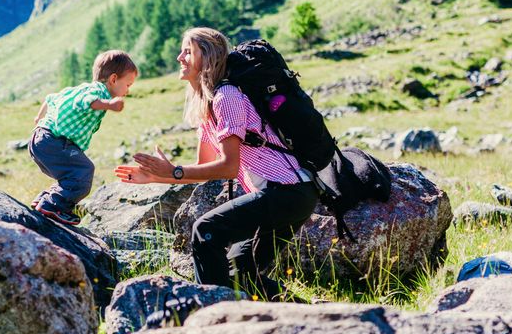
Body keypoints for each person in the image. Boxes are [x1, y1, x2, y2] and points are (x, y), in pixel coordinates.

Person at [114, 27, 319, 299]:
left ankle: (212, 315)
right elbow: (203, 168)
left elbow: (228, 167)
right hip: (290, 194)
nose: (179, 57)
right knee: (241, 273)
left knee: (206, 231)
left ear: (207, 58)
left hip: (288, 192)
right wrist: (156, 177)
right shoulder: (208, 105)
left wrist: (173, 170)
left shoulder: (227, 97)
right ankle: (317, 313)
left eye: (187, 51)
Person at [30, 50, 137, 225]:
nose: (128, 90)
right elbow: (88, 101)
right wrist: (109, 104)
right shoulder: (99, 92)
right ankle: (53, 205)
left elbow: (50, 98)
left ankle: (46, 199)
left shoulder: (79, 88)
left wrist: (38, 118)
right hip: (53, 142)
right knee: (84, 171)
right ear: (113, 79)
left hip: (41, 140)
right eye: (128, 84)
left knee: (71, 173)